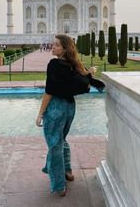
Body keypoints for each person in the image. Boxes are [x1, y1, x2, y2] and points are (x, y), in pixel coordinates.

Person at [36, 34, 104, 196]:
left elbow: (49, 91)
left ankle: (59, 185)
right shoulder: (74, 65)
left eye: (56, 45)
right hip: (70, 107)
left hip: (55, 108)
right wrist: (90, 72)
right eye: (53, 44)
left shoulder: (54, 64)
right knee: (61, 140)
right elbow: (82, 78)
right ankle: (67, 170)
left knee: (55, 145)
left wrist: (40, 114)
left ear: (65, 49)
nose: (52, 47)